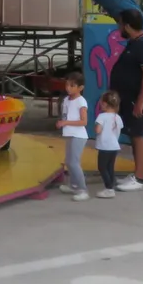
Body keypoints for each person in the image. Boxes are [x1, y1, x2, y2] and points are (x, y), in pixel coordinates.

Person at [110, 8, 143, 191]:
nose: (119, 27)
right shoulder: (134, 43)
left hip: (137, 99)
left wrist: (140, 101)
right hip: (128, 98)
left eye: (120, 24)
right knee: (133, 134)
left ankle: (140, 178)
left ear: (128, 26)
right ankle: (137, 173)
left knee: (139, 135)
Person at [55, 71, 89, 201]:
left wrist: (66, 123)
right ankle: (74, 185)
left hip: (78, 135)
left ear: (80, 88)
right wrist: (61, 122)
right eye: (67, 84)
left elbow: (84, 122)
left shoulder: (81, 101)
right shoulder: (66, 100)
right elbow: (66, 116)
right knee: (69, 162)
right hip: (70, 134)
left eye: (72, 85)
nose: (68, 88)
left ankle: (83, 189)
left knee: (74, 163)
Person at [93, 90, 125, 199]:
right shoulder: (118, 117)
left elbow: (98, 130)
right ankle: (112, 184)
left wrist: (96, 126)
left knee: (102, 167)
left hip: (104, 146)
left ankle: (109, 188)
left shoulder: (102, 116)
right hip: (114, 146)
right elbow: (119, 130)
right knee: (110, 167)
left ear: (104, 104)